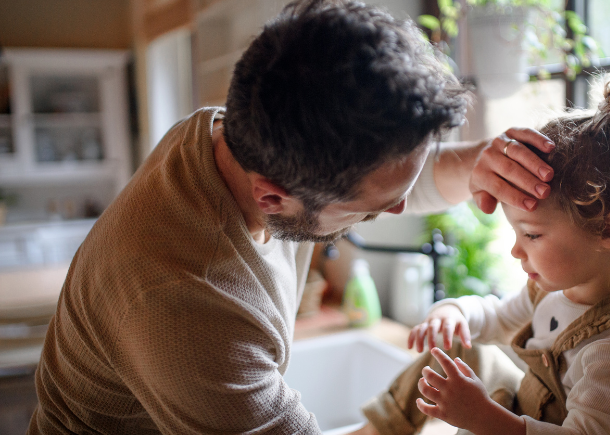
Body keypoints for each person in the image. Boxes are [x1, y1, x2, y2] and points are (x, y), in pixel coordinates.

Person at [26, 1, 556, 434]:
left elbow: (384, 178)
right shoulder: (188, 300)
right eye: (371, 211)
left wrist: (484, 160)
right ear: (273, 198)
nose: (398, 206)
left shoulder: (234, 133)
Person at [357, 73, 610, 435]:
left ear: (608, 231)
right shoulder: (553, 292)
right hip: (525, 413)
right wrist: (454, 312)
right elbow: (496, 316)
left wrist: (482, 418)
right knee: (457, 355)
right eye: (515, 232)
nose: (515, 250)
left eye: (532, 234)